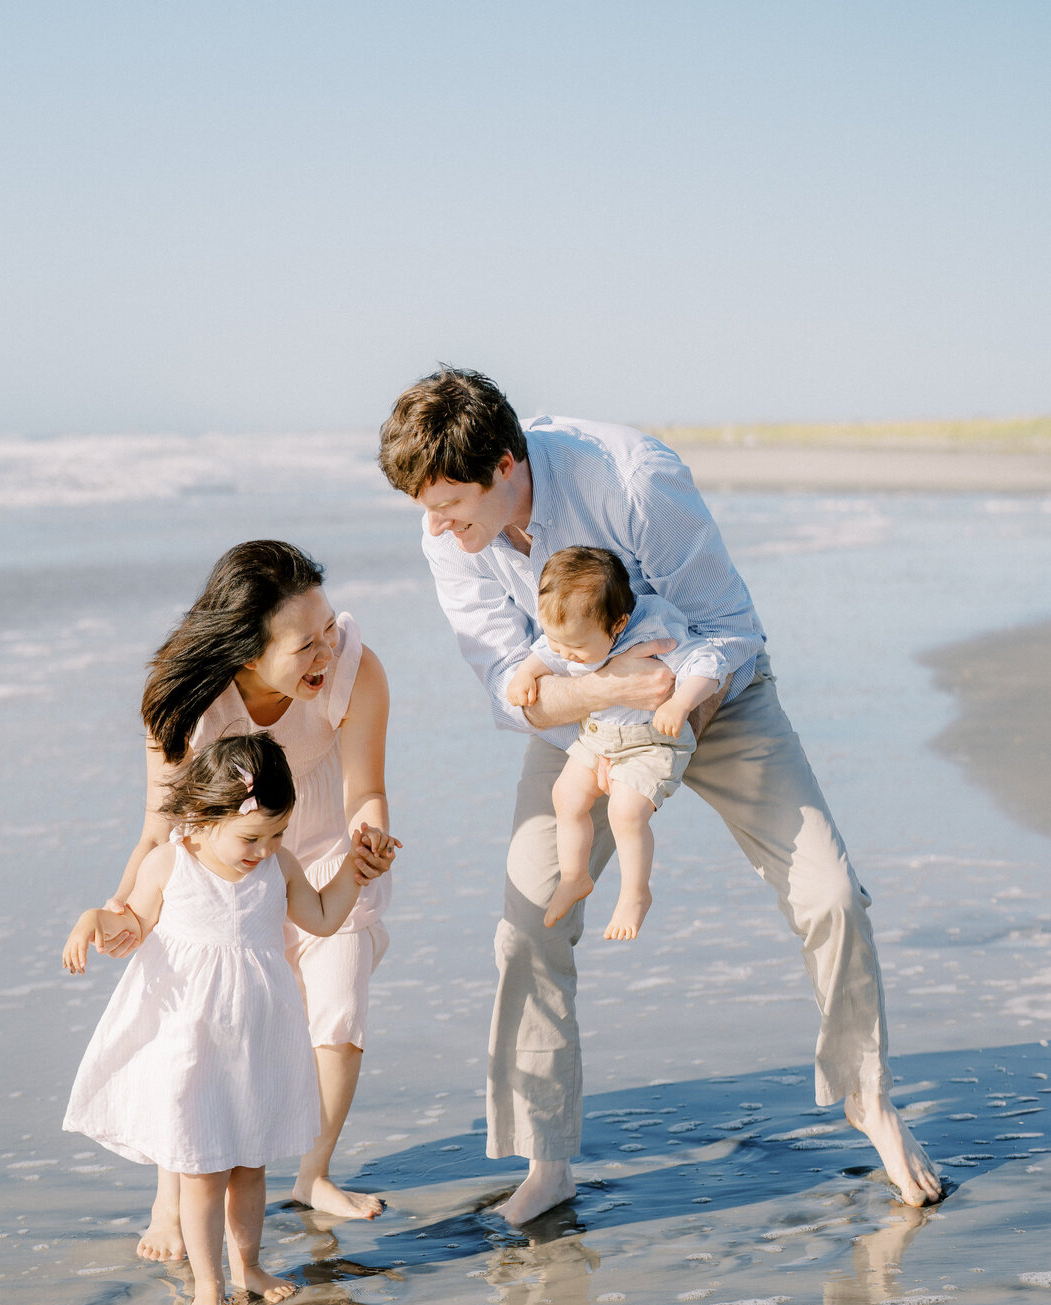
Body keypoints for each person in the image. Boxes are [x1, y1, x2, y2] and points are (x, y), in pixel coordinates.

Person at [378, 367, 942, 1222]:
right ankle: (548, 1159)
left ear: (503, 464)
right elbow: (508, 686)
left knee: (831, 896)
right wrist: (614, 695)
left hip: (716, 697)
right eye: (425, 509)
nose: (436, 528)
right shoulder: (446, 533)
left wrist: (671, 702)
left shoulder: (633, 479)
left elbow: (729, 628)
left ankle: (870, 1100)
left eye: (449, 505)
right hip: (587, 723)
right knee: (528, 921)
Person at [92, 540, 396, 1260]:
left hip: (326, 851)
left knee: (338, 1013)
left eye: (328, 629)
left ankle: (313, 1175)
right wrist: (127, 907)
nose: (327, 649)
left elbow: (367, 792)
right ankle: (172, 1198)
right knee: (199, 1032)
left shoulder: (355, 668)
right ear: (247, 652)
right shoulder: (184, 694)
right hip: (217, 871)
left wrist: (370, 841)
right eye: (304, 644)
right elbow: (161, 828)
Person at [62, 733, 398, 1305]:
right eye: (251, 837)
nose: (263, 849)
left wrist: (355, 872)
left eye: (275, 835)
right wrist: (95, 919)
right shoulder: (172, 862)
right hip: (192, 1043)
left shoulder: (279, 866)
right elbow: (132, 925)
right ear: (202, 817)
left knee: (251, 1165)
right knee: (201, 1169)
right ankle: (207, 1285)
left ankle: (249, 1268)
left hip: (259, 1039)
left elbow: (320, 919)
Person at [505, 545, 726, 941]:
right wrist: (527, 673)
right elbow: (546, 652)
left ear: (618, 624)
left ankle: (635, 894)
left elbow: (707, 664)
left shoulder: (656, 624)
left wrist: (681, 702)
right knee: (566, 796)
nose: (564, 654)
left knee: (625, 812)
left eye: (574, 648)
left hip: (649, 742)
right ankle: (574, 878)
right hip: (597, 737)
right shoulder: (568, 635)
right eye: (557, 643)